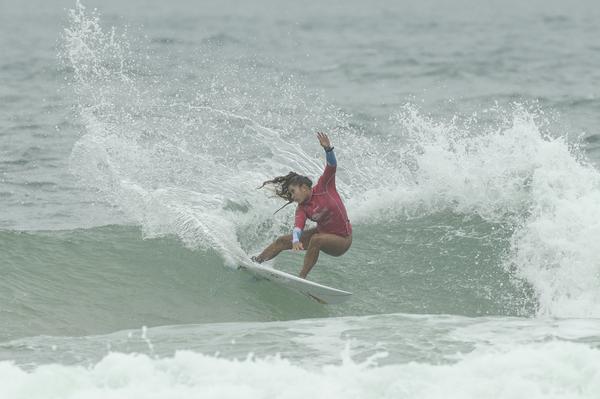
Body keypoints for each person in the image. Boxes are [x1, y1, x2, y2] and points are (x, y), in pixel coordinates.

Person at [251, 132, 352, 279]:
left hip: (342, 240)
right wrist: (296, 240)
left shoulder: (325, 186)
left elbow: (332, 166)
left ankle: (301, 278)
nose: (292, 196)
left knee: (316, 239)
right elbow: (298, 227)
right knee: (283, 241)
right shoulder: (302, 209)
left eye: (293, 192)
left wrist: (328, 149)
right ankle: (256, 262)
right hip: (323, 233)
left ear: (304, 187)